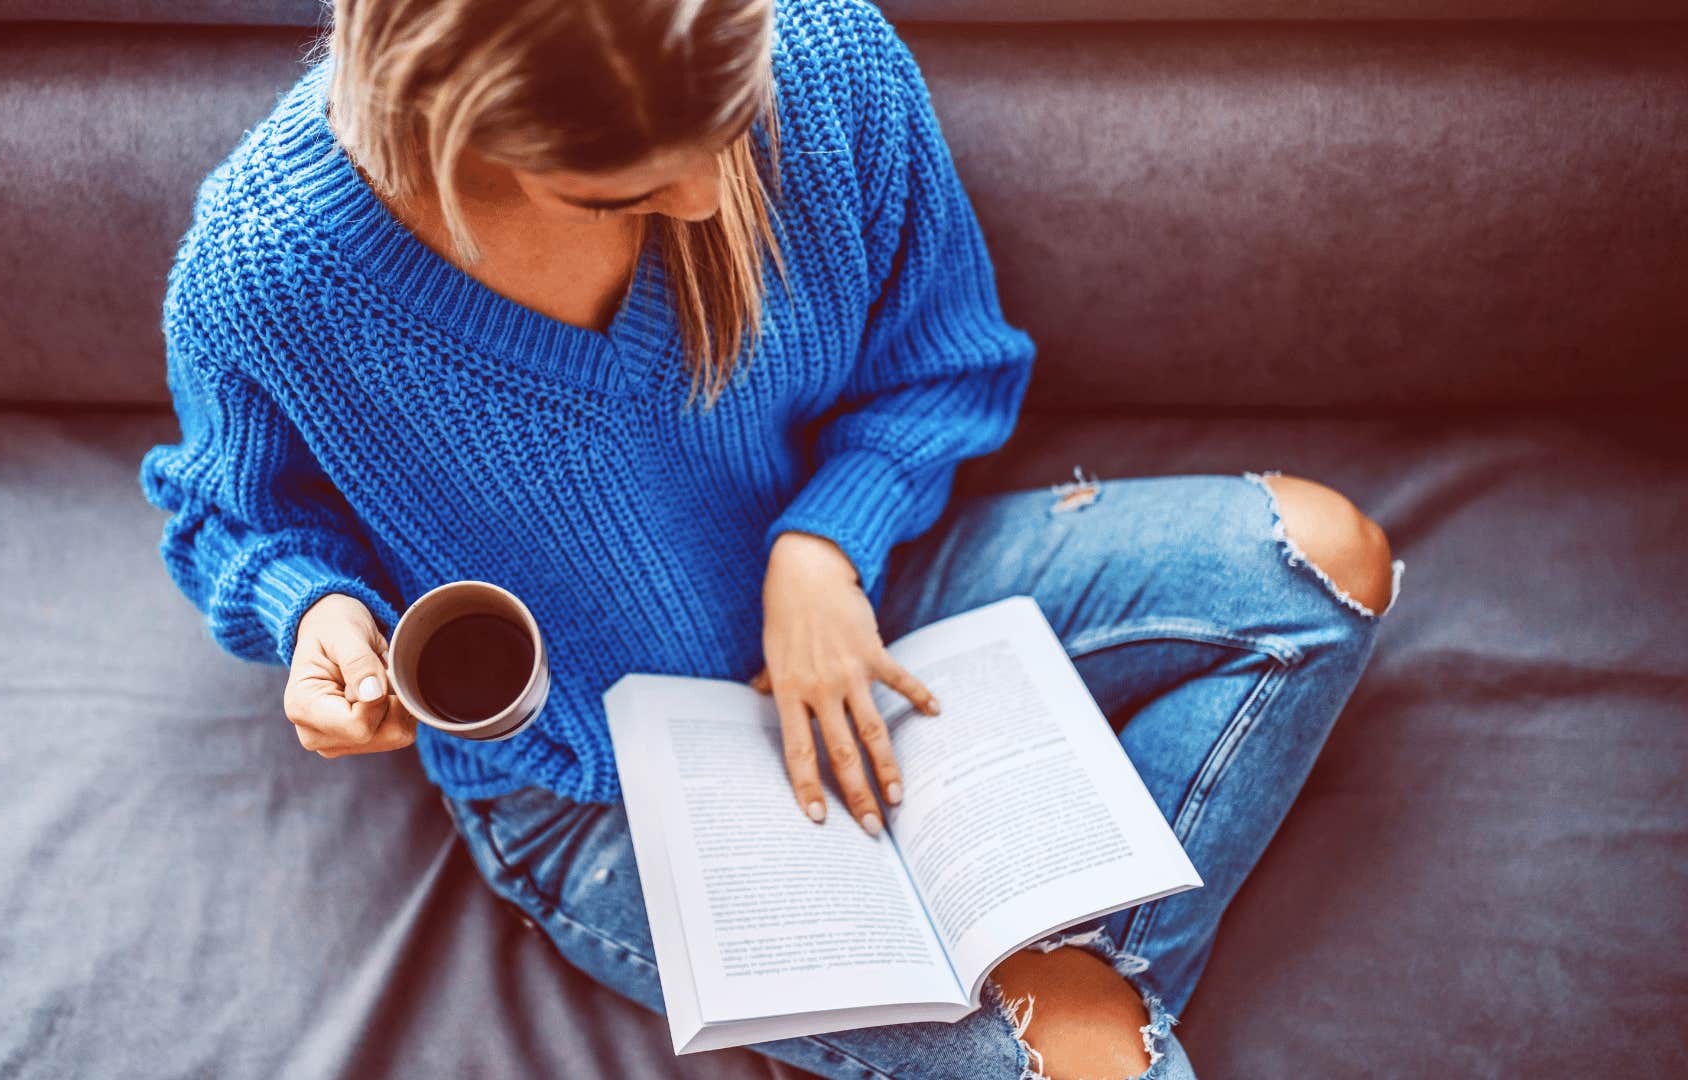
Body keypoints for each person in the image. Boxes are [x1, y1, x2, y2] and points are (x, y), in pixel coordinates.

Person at [138, 0, 1405, 1076]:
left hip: (883, 606)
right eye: (623, 189)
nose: (704, 198)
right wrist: (317, 615)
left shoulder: (826, 54)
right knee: (1078, 1047)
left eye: (732, 123)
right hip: (594, 783)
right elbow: (232, 519)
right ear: (453, 124)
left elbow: (945, 364)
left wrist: (825, 552)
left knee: (1319, 561)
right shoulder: (266, 273)